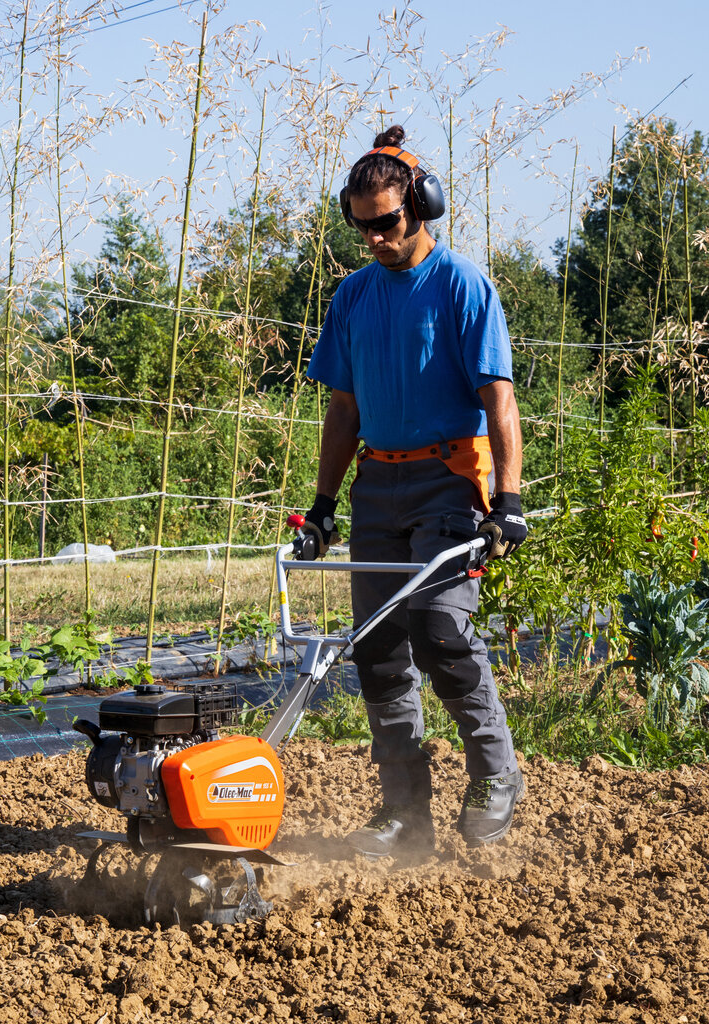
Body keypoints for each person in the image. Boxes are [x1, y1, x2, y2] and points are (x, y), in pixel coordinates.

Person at [300, 124, 529, 859]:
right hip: (378, 484)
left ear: (421, 206)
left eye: (387, 222)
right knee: (377, 651)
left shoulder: (465, 286)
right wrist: (325, 505)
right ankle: (405, 813)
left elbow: (499, 401)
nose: (374, 238)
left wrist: (509, 500)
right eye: (361, 226)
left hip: (450, 481)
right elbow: (342, 410)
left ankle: (497, 773)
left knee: (440, 629)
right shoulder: (354, 297)